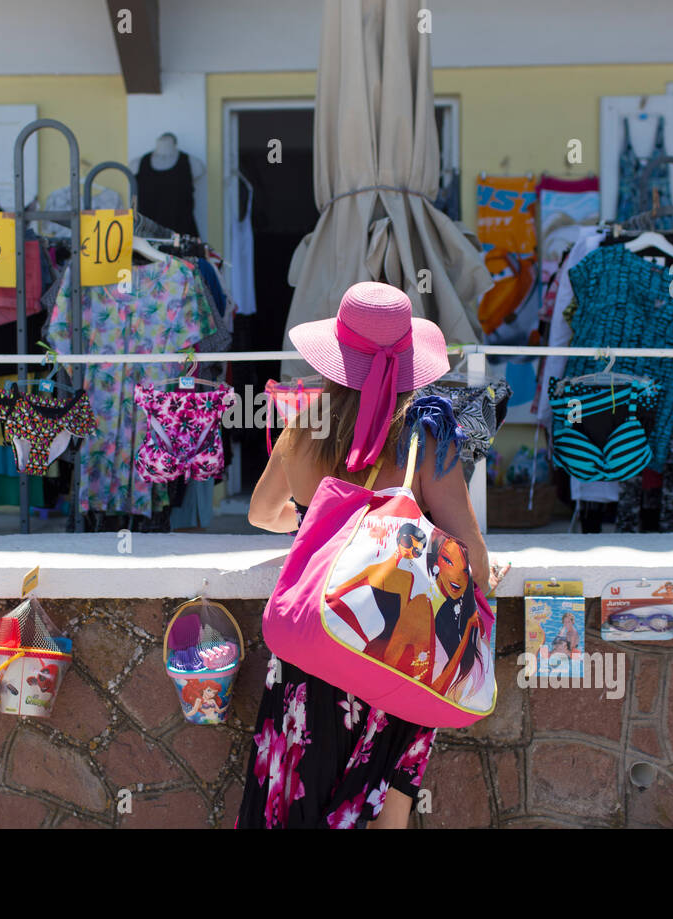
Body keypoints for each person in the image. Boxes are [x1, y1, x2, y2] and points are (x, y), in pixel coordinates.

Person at [240, 281, 508, 829]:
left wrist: (328, 527)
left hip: (313, 649)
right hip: (391, 657)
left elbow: (262, 515)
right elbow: (473, 561)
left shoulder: (303, 426)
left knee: (293, 802)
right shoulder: (426, 435)